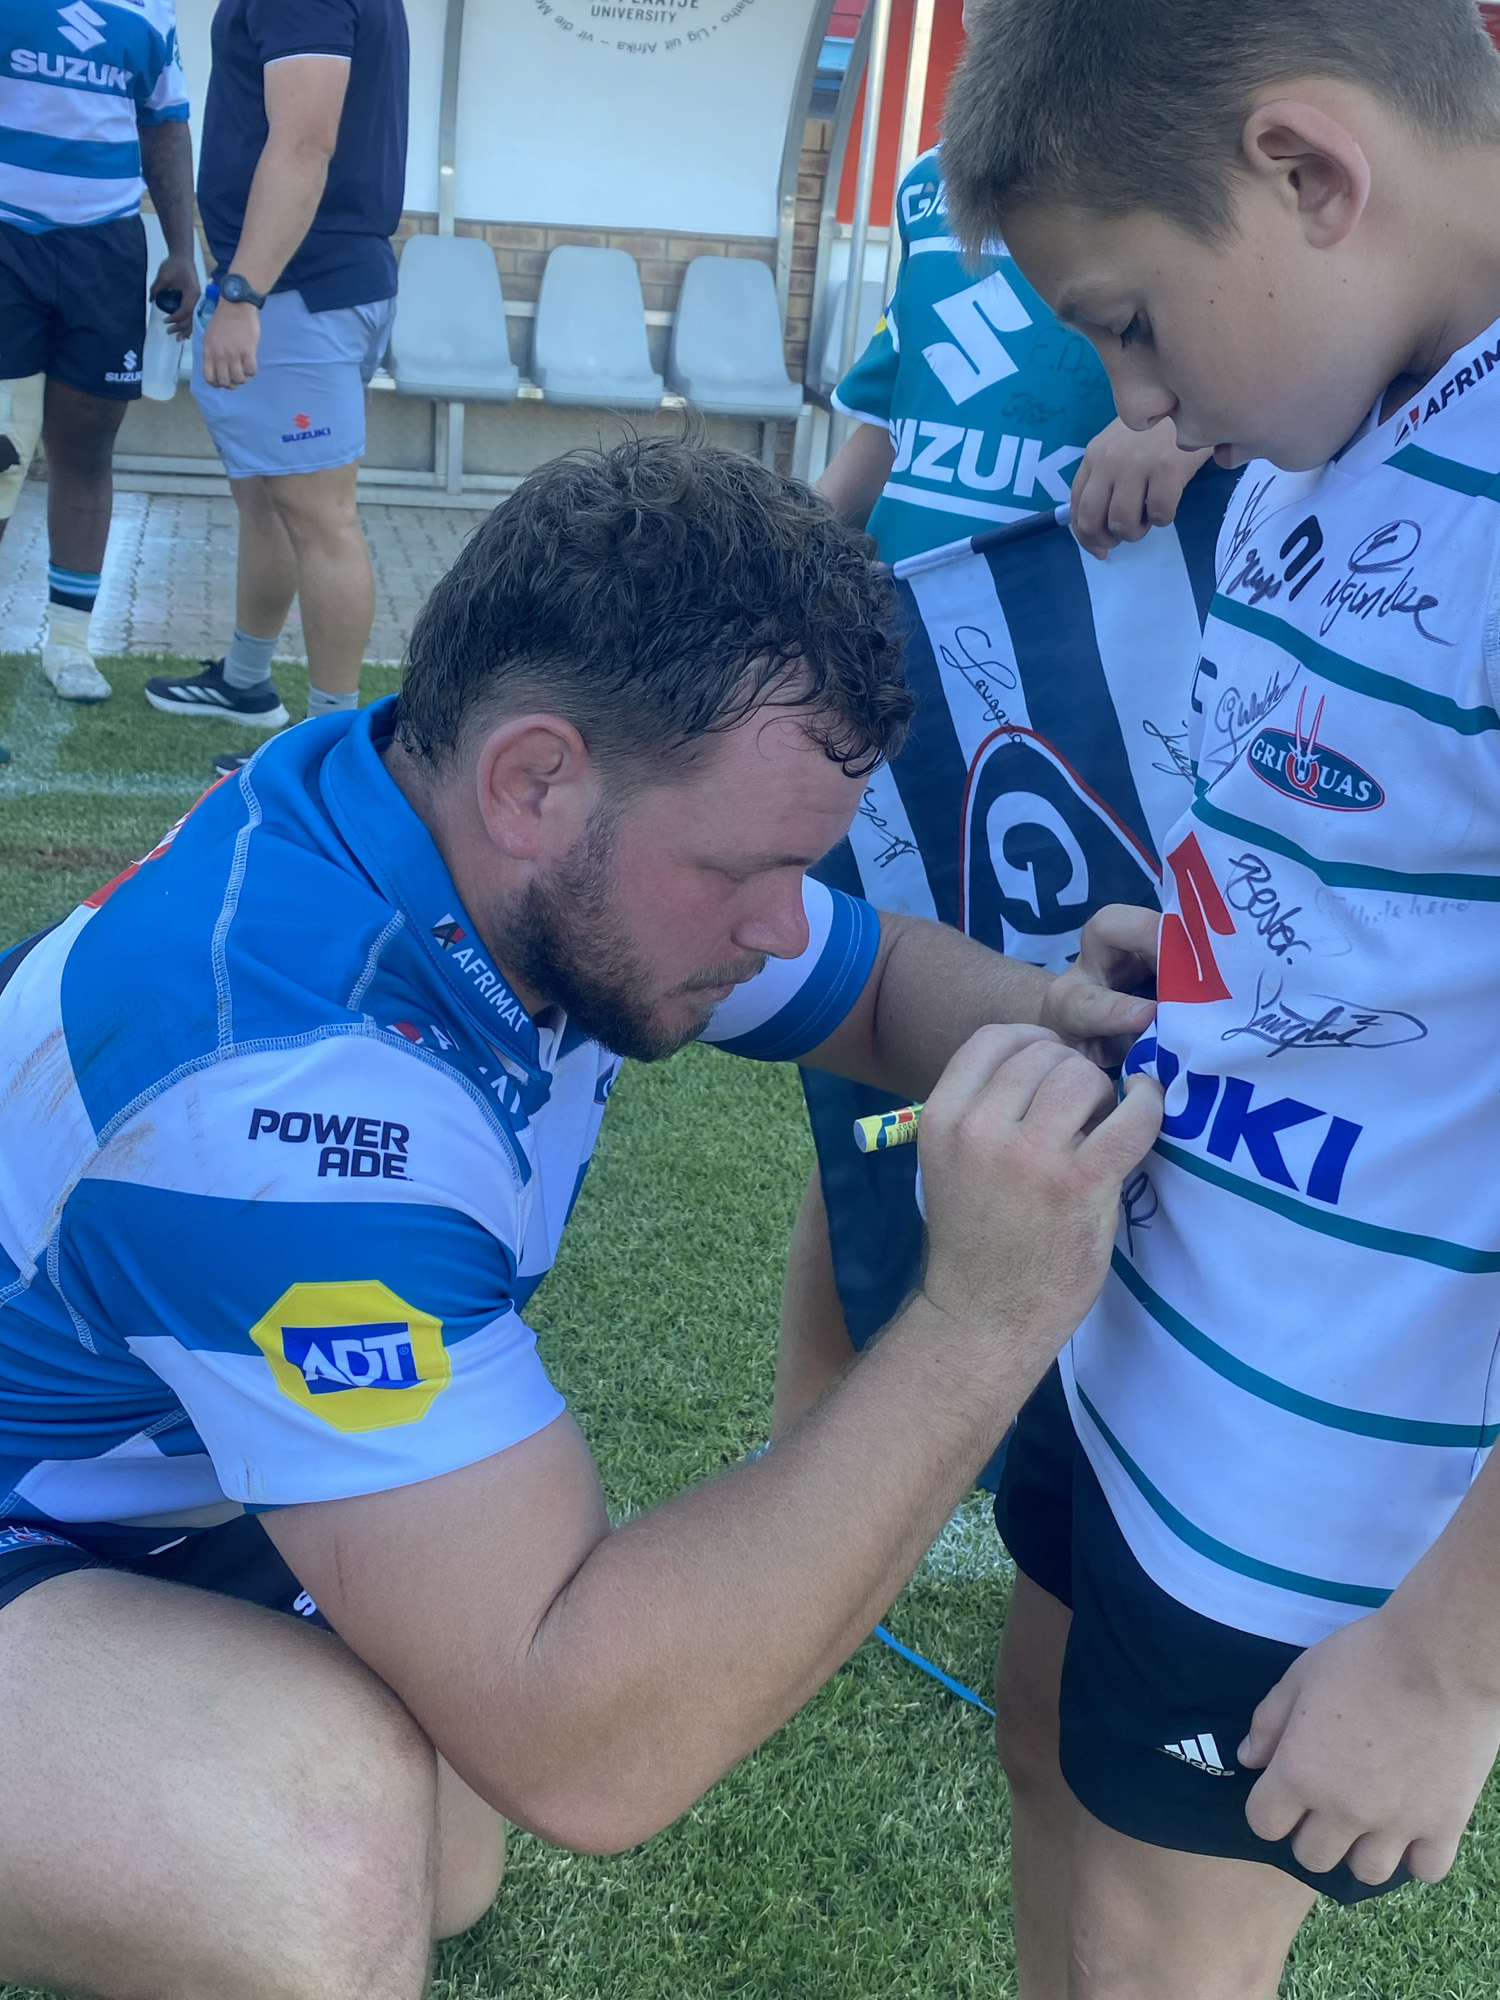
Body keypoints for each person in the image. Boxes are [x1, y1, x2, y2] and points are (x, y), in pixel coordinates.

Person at [0, 439, 1163, 1999]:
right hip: (53, 1504)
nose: (782, 927)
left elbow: (877, 978)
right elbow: (587, 1750)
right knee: (323, 1872)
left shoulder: (467, 820)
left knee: (448, 1860)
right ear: (534, 780)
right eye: (748, 870)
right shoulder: (287, 1098)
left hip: (134, 1482)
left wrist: (1062, 1018)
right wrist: (983, 1321)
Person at [936, 0, 1500, 1993]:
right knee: (1045, 1762)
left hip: (1318, 1484)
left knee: (1159, 1948)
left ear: (1309, 174)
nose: (1137, 394)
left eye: (1134, 323)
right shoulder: (1314, 447)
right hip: (1143, 1342)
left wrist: (1448, 1661)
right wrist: (1193, 969)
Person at [774, 131, 1211, 1442]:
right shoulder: (932, 180)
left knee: (1105, 1062)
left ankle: (1094, 1435)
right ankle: (803, 1437)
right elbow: (891, 410)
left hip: (1104, 702)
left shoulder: (1173, 129)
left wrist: (1185, 431)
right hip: (917, 696)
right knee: (874, 1093)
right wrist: (787, 559)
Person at [144, 0, 409, 739]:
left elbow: (304, 144)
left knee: (321, 518)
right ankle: (246, 680)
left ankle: (330, 746)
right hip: (310, 283)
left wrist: (242, 293)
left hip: (298, 287)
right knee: (268, 497)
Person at [0, 0, 197, 705]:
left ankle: (69, 643)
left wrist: (183, 249)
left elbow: (165, 129)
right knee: (2, 451)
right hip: (7, 239)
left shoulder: (151, 12)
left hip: (106, 248)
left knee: (87, 450)